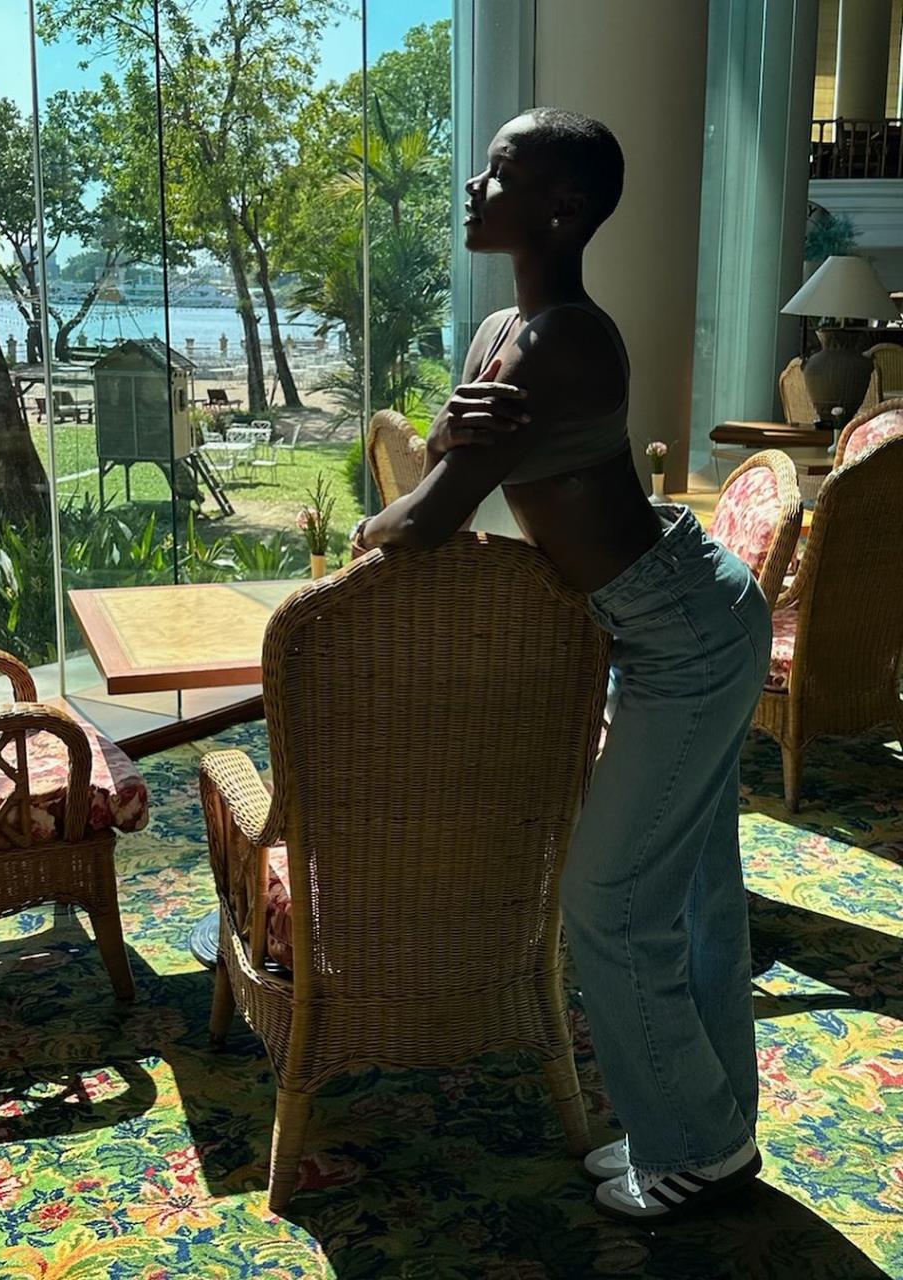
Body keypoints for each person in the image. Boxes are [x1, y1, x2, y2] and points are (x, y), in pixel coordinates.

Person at [349, 108, 772, 1224]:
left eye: (501, 172)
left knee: (612, 898)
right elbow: (447, 466)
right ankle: (711, 1124)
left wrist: (373, 522)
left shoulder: (564, 342)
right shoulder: (503, 327)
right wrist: (445, 451)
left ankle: (696, 1146)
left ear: (562, 209)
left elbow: (426, 518)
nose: (474, 186)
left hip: (684, 631)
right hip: (663, 619)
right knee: (690, 894)